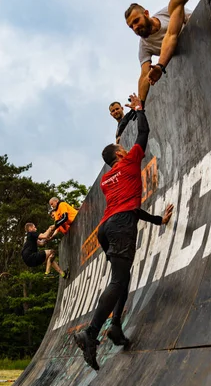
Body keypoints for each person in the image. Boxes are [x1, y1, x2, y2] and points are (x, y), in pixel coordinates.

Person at [74, 94, 173, 371]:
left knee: (123, 277)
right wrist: (139, 109)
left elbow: (129, 208)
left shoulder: (107, 179)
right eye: (123, 149)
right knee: (118, 282)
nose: (128, 150)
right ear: (119, 154)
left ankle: (115, 326)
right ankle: (91, 334)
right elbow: (144, 132)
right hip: (119, 227)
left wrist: (157, 220)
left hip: (106, 228)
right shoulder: (129, 162)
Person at [124, 3, 191, 105]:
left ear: (146, 13)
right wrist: (140, 103)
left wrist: (160, 65)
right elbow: (144, 75)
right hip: (186, 63)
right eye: (131, 27)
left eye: (136, 21)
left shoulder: (168, 11)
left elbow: (193, 19)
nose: (135, 27)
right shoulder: (144, 46)